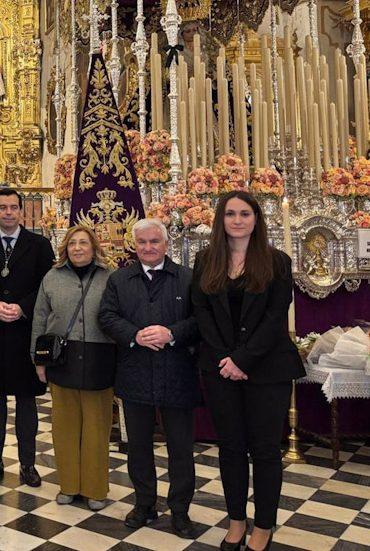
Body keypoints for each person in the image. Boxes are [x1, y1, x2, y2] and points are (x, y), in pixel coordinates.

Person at [191, 191, 305, 551]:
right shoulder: (206, 260)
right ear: (220, 220)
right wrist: (228, 359)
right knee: (231, 448)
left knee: (266, 450)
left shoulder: (277, 262)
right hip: (220, 367)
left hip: (267, 368)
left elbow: (275, 318)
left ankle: (264, 525)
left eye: (244, 214)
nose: (237, 220)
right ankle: (237, 520)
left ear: (256, 219)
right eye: (230, 214)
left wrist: (243, 359)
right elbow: (202, 314)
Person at [97, 218, 200, 538]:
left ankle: (180, 510)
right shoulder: (120, 279)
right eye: (142, 242)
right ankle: (145, 504)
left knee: (181, 447)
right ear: (134, 245)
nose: (148, 247)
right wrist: (135, 335)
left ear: (166, 244)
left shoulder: (187, 279)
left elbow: (202, 320)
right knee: (137, 445)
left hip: (178, 372)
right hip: (135, 371)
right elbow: (106, 316)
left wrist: (171, 333)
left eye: (154, 242)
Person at [0, 189, 55, 487]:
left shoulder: (40, 245)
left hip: (26, 332)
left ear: (22, 211)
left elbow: (47, 286)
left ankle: (28, 463)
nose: (8, 212)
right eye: (2, 207)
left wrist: (23, 307)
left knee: (26, 401)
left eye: (13, 207)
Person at [30, 226, 115, 510]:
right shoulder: (51, 278)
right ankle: (68, 485)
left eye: (84, 243)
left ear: (94, 247)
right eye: (73, 243)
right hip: (62, 359)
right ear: (65, 248)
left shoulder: (109, 278)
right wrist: (38, 359)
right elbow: (40, 318)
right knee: (64, 426)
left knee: (96, 428)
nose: (78, 248)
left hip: (99, 359)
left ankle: (95, 489)